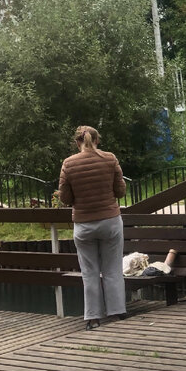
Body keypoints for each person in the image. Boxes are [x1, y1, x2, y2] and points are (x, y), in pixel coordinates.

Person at [58, 125, 127, 330]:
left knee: (89, 272)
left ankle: (93, 318)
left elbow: (65, 198)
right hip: (110, 221)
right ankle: (117, 312)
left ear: (77, 142)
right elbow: (120, 191)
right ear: (97, 140)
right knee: (113, 268)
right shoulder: (110, 159)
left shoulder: (68, 164)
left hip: (84, 224)